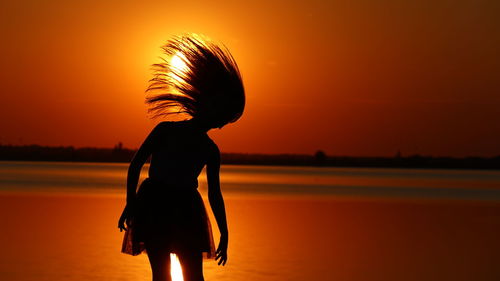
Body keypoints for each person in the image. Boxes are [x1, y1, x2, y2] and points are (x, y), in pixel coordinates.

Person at [117, 34, 245, 281]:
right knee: (168, 276)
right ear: (210, 106)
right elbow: (135, 165)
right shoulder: (168, 132)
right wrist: (130, 203)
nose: (220, 125)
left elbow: (215, 194)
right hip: (159, 206)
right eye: (223, 118)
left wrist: (225, 232)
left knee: (185, 276)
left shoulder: (206, 148)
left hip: (178, 207)